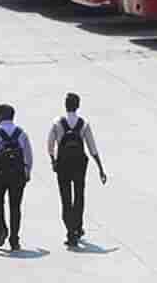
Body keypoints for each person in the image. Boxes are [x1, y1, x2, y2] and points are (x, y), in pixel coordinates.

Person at [48, 93, 107, 247]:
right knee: (79, 196)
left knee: (65, 199)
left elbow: (50, 145)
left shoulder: (57, 123)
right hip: (79, 165)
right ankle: (78, 227)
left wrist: (53, 161)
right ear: (78, 106)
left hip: (63, 165)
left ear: (65, 105)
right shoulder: (84, 124)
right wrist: (100, 167)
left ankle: (70, 232)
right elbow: (92, 147)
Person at [0, 104, 33, 251]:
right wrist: (27, 171)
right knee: (15, 207)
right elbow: (28, 155)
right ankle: (14, 239)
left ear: (2, 116)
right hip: (18, 174)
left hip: (0, 174)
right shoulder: (22, 133)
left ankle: (2, 229)